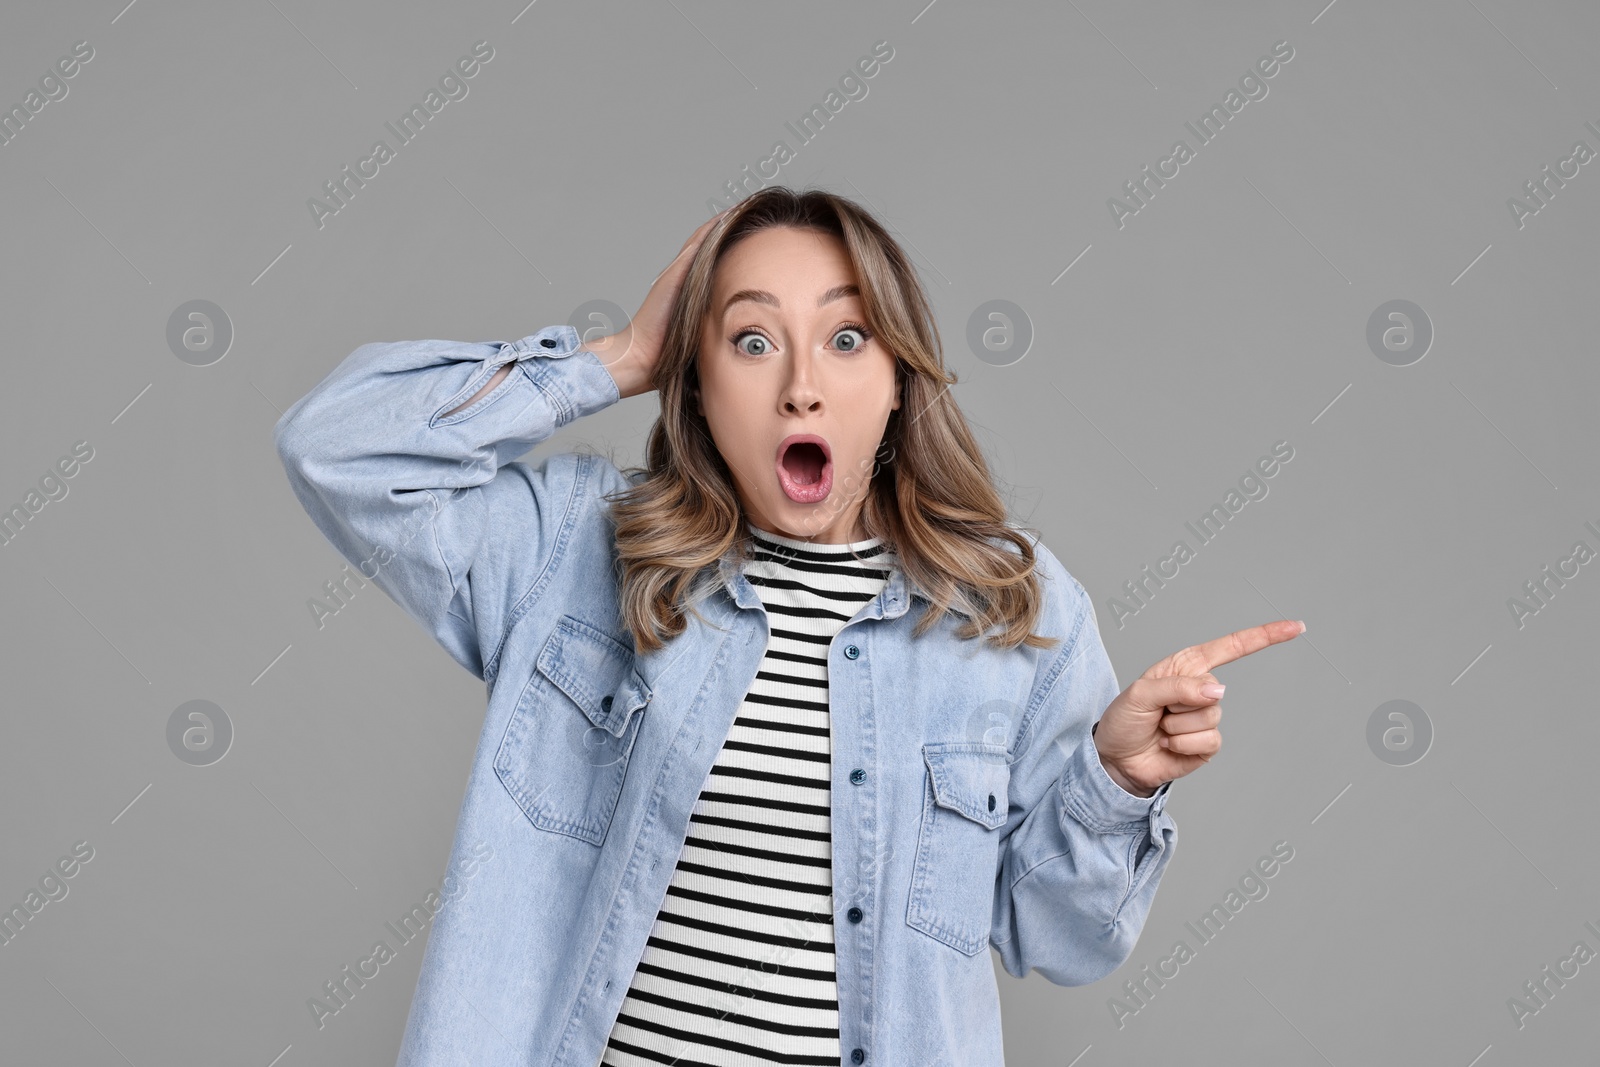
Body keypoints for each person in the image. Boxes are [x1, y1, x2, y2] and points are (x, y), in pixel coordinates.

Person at [273, 186, 1304, 1067]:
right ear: (699, 382)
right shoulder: (577, 552)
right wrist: (613, 358)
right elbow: (337, 448)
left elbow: (1068, 937)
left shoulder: (1013, 614)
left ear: (897, 379)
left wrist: (1117, 781)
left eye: (847, 337)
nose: (801, 383)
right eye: (751, 340)